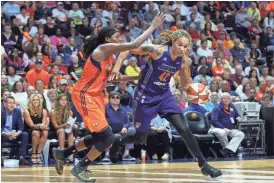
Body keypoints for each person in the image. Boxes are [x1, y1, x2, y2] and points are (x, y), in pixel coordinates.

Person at [52, 14, 165, 182]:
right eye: (115, 36)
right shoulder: (102, 50)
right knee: (108, 137)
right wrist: (153, 26)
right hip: (84, 95)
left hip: (95, 96)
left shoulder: (109, 55)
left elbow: (113, 78)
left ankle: (63, 153)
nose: (119, 38)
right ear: (107, 39)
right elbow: (134, 44)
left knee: (101, 137)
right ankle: (80, 166)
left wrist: (137, 78)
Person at [109, 29, 222, 178]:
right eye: (179, 45)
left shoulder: (183, 61)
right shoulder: (157, 50)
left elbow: (185, 82)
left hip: (164, 96)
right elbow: (127, 48)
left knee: (184, 128)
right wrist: (116, 68)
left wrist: (197, 91)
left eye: (185, 46)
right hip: (145, 96)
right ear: (173, 42)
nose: (182, 49)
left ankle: (203, 165)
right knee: (141, 138)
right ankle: (120, 140)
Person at [209, 93, 245, 157]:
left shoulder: (232, 107)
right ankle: (227, 150)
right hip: (216, 128)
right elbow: (214, 121)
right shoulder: (216, 108)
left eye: (228, 98)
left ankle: (228, 149)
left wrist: (238, 117)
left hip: (230, 129)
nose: (226, 100)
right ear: (221, 100)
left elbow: (237, 114)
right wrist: (223, 128)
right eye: (224, 98)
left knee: (241, 134)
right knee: (222, 133)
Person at [1, 96, 29, 165]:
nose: (12, 105)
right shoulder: (1, 112)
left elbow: (20, 126)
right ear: (5, 104)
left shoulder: (17, 111)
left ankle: (22, 156)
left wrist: (17, 133)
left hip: (14, 134)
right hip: (4, 135)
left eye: (13, 103)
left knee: (24, 134)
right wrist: (5, 133)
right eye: (10, 103)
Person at [23, 94, 48, 164]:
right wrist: (40, 126)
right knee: (35, 132)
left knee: (45, 132)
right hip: (29, 132)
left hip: (40, 130)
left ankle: (38, 152)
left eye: (37, 100)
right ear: (31, 102)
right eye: (34, 100)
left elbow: (43, 123)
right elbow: (31, 125)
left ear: (40, 101)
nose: (36, 101)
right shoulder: (26, 112)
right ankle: (33, 153)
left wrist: (42, 126)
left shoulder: (44, 111)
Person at [50, 94, 75, 162]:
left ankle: (70, 154)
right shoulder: (53, 112)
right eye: (61, 99)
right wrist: (64, 125)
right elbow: (55, 126)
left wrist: (70, 125)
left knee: (70, 132)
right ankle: (62, 152)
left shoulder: (70, 112)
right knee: (61, 130)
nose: (63, 101)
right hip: (54, 131)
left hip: (65, 130)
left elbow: (69, 124)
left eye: (65, 100)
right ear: (58, 101)